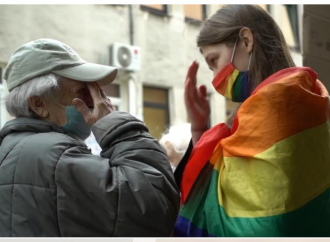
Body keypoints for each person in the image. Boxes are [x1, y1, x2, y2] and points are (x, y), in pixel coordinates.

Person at [174, 5, 330, 237]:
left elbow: (225, 212)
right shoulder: (309, 94)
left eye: (215, 61)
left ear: (246, 41)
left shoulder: (276, 103)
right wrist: (200, 127)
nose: (216, 78)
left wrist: (202, 132)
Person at [0, 39, 180, 237]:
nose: (98, 101)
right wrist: (118, 128)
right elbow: (155, 206)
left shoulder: (11, 147)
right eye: (83, 92)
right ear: (39, 104)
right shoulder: (56, 156)